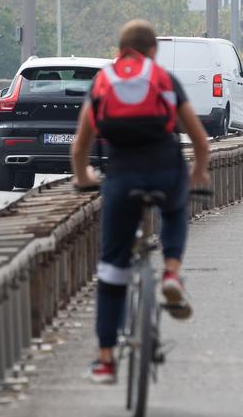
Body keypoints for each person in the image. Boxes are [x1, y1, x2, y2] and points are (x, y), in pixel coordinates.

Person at [71, 20, 212, 385]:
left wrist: (84, 177)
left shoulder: (104, 81)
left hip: (120, 175)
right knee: (176, 207)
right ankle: (171, 271)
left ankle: (104, 359)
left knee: (111, 269)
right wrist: (198, 172)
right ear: (153, 50)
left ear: (120, 49)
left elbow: (80, 146)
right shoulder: (163, 78)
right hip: (164, 168)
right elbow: (199, 138)